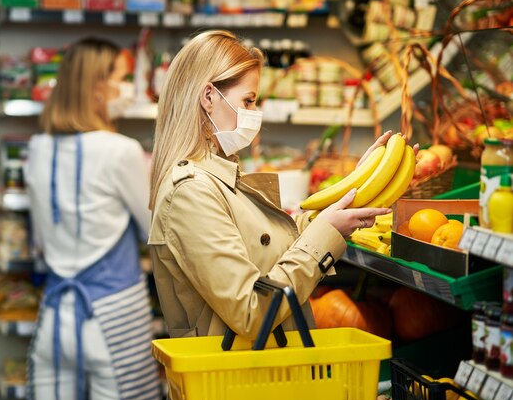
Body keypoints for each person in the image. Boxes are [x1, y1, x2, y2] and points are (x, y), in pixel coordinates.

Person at [148, 30, 409, 351]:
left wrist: (354, 188)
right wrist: (323, 239)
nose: (253, 113)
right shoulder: (191, 192)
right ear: (208, 97)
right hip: (231, 386)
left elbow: (266, 247)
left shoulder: (216, 176)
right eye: (248, 101)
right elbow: (251, 312)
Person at [24, 37, 162, 400]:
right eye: (121, 77)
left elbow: (39, 239)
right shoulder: (121, 151)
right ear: (97, 87)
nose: (127, 88)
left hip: (54, 317)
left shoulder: (37, 149)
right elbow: (153, 229)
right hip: (114, 319)